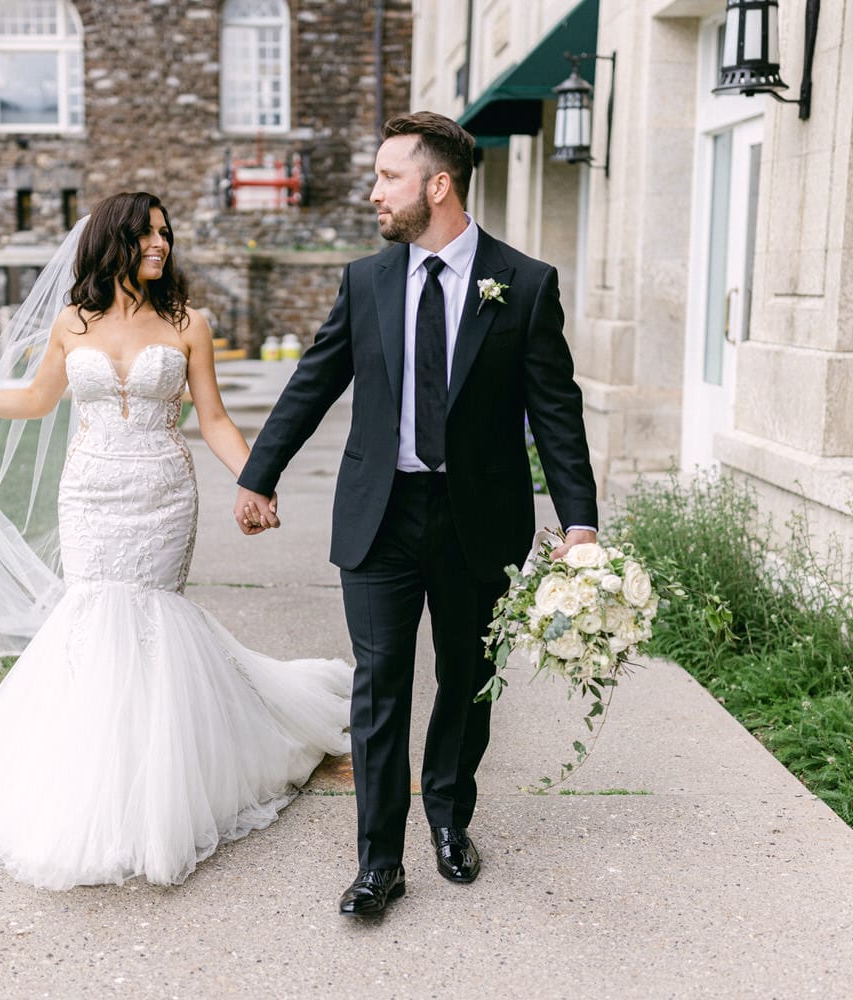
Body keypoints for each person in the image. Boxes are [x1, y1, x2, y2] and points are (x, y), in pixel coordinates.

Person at [0, 192, 352, 890]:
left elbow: (217, 420)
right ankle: (88, 774)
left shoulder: (187, 323)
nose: (160, 245)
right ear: (115, 241)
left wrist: (256, 481)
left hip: (161, 491)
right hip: (89, 493)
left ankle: (159, 778)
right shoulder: (71, 322)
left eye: (165, 234)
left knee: (148, 620)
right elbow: (35, 399)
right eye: (147, 234)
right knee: (89, 618)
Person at [234, 112, 599, 916]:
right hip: (380, 516)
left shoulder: (525, 283)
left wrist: (579, 527)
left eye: (387, 178)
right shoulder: (366, 280)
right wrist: (260, 475)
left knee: (469, 684)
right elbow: (314, 380)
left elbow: (557, 415)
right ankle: (378, 862)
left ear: (437, 185)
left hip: (480, 520)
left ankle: (449, 818)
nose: (373, 194)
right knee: (380, 690)